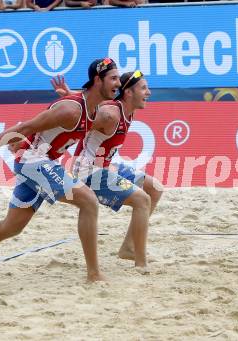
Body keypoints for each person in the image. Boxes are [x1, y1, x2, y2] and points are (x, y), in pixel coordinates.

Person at [0, 58, 121, 284]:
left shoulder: (91, 108)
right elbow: (25, 127)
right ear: (98, 80)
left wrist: (69, 93)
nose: (117, 83)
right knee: (88, 200)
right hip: (32, 160)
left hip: (41, 161)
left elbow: (80, 106)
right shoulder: (70, 109)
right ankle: (94, 274)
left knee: (12, 226)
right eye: (113, 78)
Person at [51, 71, 164, 270]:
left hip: (104, 166)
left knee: (154, 188)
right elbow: (78, 120)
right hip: (87, 172)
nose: (149, 92)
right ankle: (141, 263)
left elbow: (90, 108)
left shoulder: (127, 109)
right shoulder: (111, 114)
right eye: (144, 88)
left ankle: (129, 248)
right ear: (128, 93)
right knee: (142, 200)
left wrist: (73, 95)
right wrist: (71, 101)